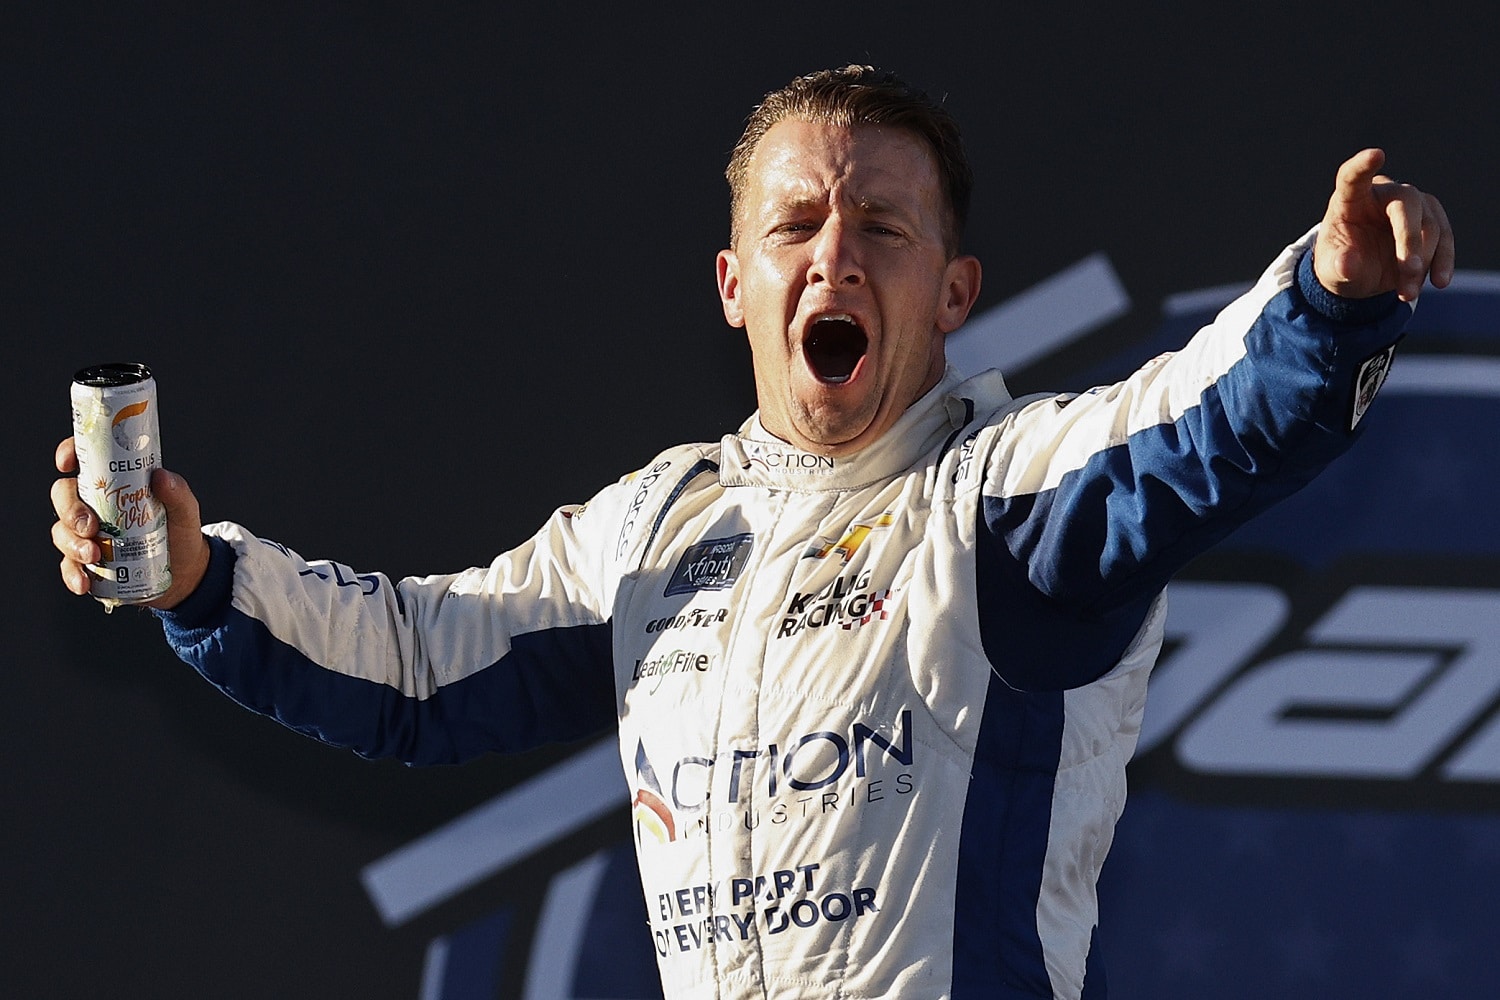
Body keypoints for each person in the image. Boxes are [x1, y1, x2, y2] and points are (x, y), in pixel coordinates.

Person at [51, 66, 1453, 1000]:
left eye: (881, 227)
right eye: (797, 224)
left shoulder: (1001, 495)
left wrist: (1327, 305)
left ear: (953, 290)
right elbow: (420, 667)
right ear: (735, 283)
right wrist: (199, 577)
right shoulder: (656, 527)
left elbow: (1190, 430)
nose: (834, 254)